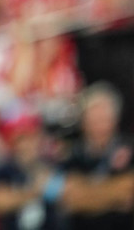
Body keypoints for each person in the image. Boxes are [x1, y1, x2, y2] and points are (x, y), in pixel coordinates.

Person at [57, 81, 134, 229]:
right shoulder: (72, 154)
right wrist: (115, 194)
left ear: (115, 120)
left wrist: (87, 192)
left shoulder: (129, 148)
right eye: (93, 117)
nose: (98, 124)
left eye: (103, 117)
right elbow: (70, 200)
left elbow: (130, 191)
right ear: (83, 121)